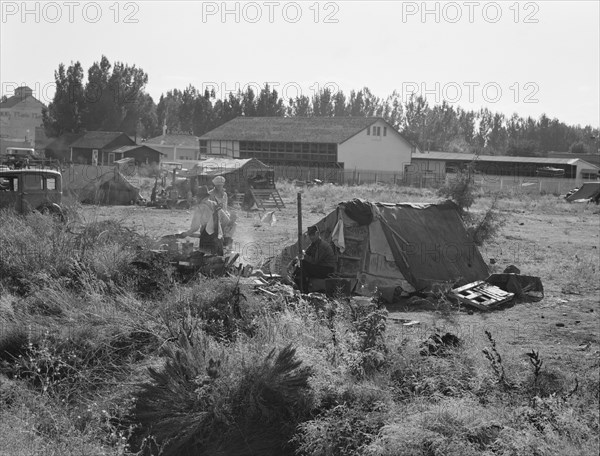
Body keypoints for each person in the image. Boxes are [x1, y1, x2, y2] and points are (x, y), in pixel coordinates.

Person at [179, 185, 223, 255]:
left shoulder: (200, 208)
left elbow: (195, 227)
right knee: (218, 261)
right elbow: (224, 219)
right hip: (218, 237)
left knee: (205, 260)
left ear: (200, 197)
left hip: (207, 239)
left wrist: (186, 233)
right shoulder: (214, 204)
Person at [293, 225, 337, 293]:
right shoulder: (314, 244)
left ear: (317, 234)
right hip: (321, 267)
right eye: (310, 235)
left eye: (313, 235)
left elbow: (314, 261)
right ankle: (297, 282)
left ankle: (303, 288)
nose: (311, 237)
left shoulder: (322, 245)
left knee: (304, 264)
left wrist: (303, 256)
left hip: (327, 270)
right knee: (300, 263)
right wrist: (298, 258)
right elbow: (307, 253)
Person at [208, 175, 237, 248]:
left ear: (223, 185)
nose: (219, 187)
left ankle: (227, 239)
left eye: (220, 185)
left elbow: (225, 208)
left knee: (234, 224)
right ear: (215, 185)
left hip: (223, 215)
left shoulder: (225, 194)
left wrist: (230, 216)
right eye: (217, 185)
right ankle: (222, 241)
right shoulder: (210, 194)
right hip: (212, 216)